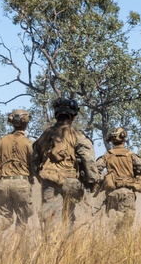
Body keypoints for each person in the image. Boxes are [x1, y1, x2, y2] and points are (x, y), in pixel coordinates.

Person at [31, 97, 96, 227]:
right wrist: (92, 181)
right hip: (71, 183)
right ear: (72, 116)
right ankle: (68, 244)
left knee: (50, 220)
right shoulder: (78, 135)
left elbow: (34, 160)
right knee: (68, 218)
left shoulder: (46, 134)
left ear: (56, 115)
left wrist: (41, 177)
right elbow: (88, 159)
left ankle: (52, 246)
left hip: (50, 182)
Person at [0, 109, 35, 231]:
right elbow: (36, 164)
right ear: (26, 123)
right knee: (22, 220)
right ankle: (19, 247)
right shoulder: (29, 144)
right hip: (22, 183)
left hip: (3, 183)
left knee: (4, 217)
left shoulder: (0, 141)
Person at [96, 127, 141, 231]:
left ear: (112, 140)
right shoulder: (131, 156)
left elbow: (95, 170)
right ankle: (118, 219)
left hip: (112, 192)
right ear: (124, 139)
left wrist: (100, 181)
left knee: (114, 224)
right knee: (127, 223)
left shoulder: (106, 156)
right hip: (127, 192)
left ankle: (115, 217)